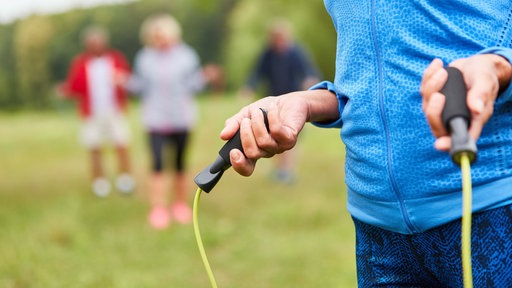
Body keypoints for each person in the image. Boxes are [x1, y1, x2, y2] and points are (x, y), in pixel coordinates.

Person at [221, 1, 512, 286]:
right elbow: (363, 85)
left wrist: (498, 65)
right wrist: (308, 102)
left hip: (490, 207)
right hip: (376, 229)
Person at [126, 14, 211, 229]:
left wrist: (205, 77)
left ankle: (180, 205)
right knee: (157, 165)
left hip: (181, 118)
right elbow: (140, 87)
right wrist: (124, 82)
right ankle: (158, 208)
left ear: (173, 34)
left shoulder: (186, 55)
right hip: (155, 119)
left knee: (180, 164)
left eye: (163, 34)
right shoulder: (144, 58)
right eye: (156, 36)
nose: (160, 39)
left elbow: (193, 85)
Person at [240, 19, 320, 183]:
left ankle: (288, 170)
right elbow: (257, 72)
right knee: (275, 135)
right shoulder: (268, 54)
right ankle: (280, 170)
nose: (278, 42)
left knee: (290, 135)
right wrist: (249, 86)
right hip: (273, 101)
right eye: (275, 39)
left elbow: (309, 70)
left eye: (281, 38)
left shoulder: (296, 52)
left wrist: (310, 80)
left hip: (293, 102)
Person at [61, 26, 134, 197]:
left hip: (114, 111)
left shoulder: (115, 59)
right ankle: (99, 183)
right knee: (94, 147)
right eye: (91, 43)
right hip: (91, 113)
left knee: (121, 144)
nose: (95, 46)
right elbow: (74, 86)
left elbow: (128, 80)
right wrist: (65, 90)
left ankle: (125, 181)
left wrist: (122, 81)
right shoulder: (81, 63)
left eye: (98, 42)